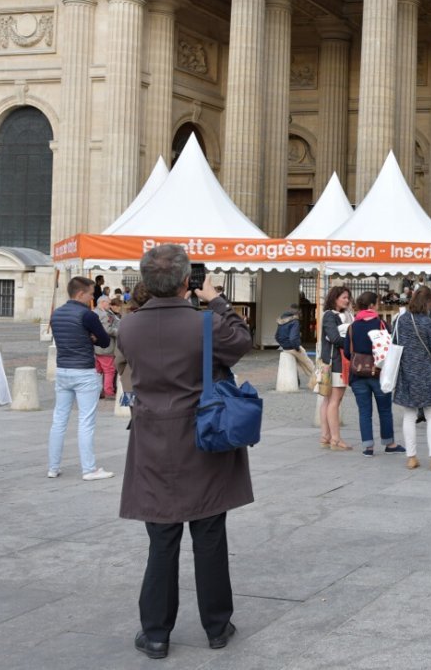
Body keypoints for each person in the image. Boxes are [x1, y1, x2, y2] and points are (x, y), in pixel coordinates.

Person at [118, 244, 253, 660]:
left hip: (153, 439)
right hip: (201, 435)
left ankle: (156, 632)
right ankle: (216, 625)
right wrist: (216, 299)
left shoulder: (129, 327)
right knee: (209, 534)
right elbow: (242, 341)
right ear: (184, 281)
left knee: (162, 537)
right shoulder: (205, 324)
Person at [47, 276, 113, 481]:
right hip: (83, 371)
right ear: (80, 293)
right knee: (86, 421)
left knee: (59, 420)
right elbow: (104, 341)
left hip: (63, 370)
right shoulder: (87, 315)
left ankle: (53, 467)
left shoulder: (56, 314)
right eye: (91, 294)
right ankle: (89, 469)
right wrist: (90, 337)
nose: (92, 298)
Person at [392, 286, 431, 471]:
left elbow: (395, 344)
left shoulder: (400, 321)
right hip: (425, 373)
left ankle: (411, 457)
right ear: (428, 303)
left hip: (406, 372)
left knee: (409, 415)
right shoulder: (429, 323)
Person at [343, 292, 403, 457]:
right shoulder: (382, 324)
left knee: (364, 411)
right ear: (371, 306)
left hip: (358, 374)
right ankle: (390, 443)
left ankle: (368, 447)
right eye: (377, 303)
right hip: (379, 373)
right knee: (384, 409)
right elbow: (390, 347)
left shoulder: (352, 326)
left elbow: (348, 352)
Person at [319, 286, 354, 451]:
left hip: (332, 361)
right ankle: (335, 438)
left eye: (348, 297)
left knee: (328, 400)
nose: (347, 300)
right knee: (334, 400)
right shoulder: (330, 316)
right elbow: (334, 338)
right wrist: (351, 341)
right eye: (344, 297)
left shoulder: (338, 315)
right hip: (335, 362)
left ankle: (326, 436)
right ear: (335, 298)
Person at [275, 303, 316, 385]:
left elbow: (276, 336)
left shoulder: (282, 320)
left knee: (301, 362)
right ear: (298, 312)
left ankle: (298, 380)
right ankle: (319, 380)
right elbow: (293, 338)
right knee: (308, 362)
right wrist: (297, 348)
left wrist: (283, 344)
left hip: (285, 348)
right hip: (292, 347)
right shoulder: (295, 322)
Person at [92, 295, 120, 399]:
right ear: (103, 302)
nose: (110, 306)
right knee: (109, 370)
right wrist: (119, 332)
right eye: (108, 303)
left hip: (96, 348)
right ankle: (108, 392)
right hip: (105, 348)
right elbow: (107, 330)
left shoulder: (94, 312)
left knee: (98, 371)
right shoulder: (103, 314)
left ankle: (98, 391)